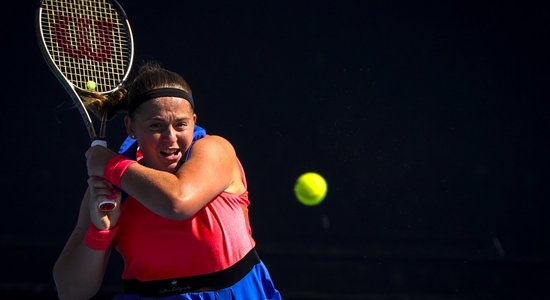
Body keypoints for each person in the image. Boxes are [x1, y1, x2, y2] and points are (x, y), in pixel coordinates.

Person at [52, 61, 282, 299]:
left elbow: (178, 202)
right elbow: (71, 291)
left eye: (180, 125)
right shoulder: (110, 187)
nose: (170, 138)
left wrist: (110, 164)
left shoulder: (215, 149)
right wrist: (101, 233)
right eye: (156, 126)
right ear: (130, 127)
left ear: (194, 121)